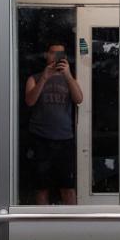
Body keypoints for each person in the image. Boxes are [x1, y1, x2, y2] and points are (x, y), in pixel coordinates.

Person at [25, 40, 83, 205]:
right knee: (42, 187)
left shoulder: (69, 78)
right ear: (46, 55)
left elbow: (79, 99)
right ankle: (42, 221)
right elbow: (30, 101)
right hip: (40, 139)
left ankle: (72, 221)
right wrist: (45, 77)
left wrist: (68, 75)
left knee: (68, 188)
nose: (55, 57)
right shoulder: (35, 78)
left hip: (64, 139)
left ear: (64, 57)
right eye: (52, 53)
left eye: (60, 54)